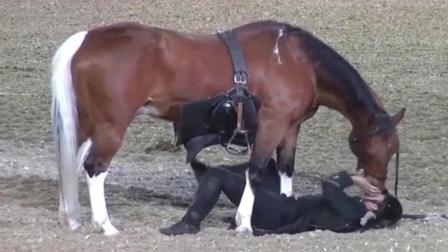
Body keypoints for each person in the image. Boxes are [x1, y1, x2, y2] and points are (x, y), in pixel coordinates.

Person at [159, 159, 402, 236]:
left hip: (278, 213)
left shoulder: (354, 212)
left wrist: (353, 179)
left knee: (218, 175)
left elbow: (328, 186)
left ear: (375, 207)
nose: (369, 193)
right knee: (271, 166)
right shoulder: (360, 215)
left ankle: (191, 221)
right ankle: (207, 182)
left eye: (375, 197)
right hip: (285, 206)